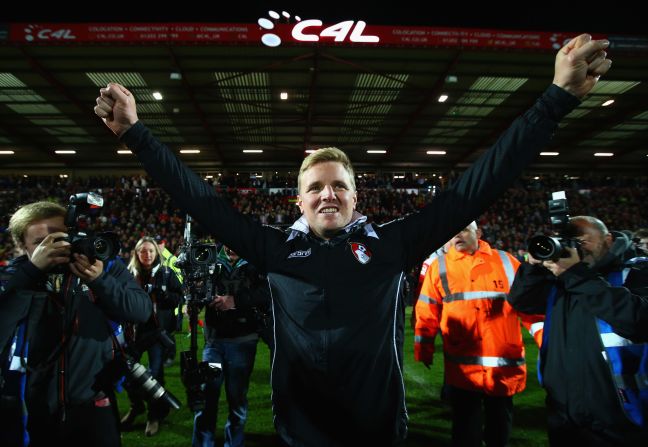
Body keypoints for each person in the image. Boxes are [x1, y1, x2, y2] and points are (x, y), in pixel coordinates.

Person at [94, 34, 611, 446]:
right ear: (299, 201)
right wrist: (136, 134)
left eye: (339, 185)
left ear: (355, 195)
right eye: (314, 187)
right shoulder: (275, 249)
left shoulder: (390, 245)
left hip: (377, 428)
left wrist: (555, 100)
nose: (327, 195)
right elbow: (200, 201)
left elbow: (475, 190)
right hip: (301, 430)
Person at [0, 201, 152, 446]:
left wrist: (100, 280)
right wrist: (31, 274)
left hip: (96, 402)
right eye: (41, 243)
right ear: (21, 247)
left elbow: (142, 311)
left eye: (60, 237)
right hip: (37, 409)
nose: (55, 247)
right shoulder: (14, 278)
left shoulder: (103, 266)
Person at [507, 216, 648, 445]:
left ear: (608, 240)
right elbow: (521, 302)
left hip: (620, 415)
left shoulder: (636, 270)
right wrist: (532, 267)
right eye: (569, 242)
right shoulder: (562, 278)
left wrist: (576, 275)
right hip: (564, 414)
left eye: (582, 242)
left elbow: (638, 320)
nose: (575, 249)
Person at [414, 221, 543, 446]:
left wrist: (546, 341)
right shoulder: (440, 266)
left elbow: (529, 308)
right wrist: (423, 347)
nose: (456, 236)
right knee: (465, 430)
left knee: (499, 428)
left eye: (463, 229)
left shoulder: (506, 262)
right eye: (452, 232)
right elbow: (427, 311)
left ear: (479, 233)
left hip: (502, 366)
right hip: (463, 370)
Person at [192, 245, 270, 447]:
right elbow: (196, 298)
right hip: (214, 342)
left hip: (243, 342)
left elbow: (266, 293)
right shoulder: (209, 261)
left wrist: (235, 300)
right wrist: (197, 289)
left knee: (236, 400)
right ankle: (202, 443)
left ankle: (233, 443)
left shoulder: (256, 262)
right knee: (207, 395)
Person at [119, 236, 183, 436]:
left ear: (157, 253)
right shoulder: (129, 273)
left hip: (156, 332)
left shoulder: (165, 272)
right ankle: (136, 406)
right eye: (142, 251)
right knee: (126, 375)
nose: (147, 255)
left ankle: (154, 415)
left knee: (154, 376)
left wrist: (163, 295)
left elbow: (179, 297)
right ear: (136, 253)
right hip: (134, 332)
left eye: (151, 251)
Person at [155, 235, 183, 366]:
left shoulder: (172, 260)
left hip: (171, 304)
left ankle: (170, 356)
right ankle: (161, 356)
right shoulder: (156, 259)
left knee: (168, 331)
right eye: (156, 244)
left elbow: (180, 282)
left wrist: (179, 303)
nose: (158, 246)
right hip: (159, 303)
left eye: (159, 243)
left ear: (163, 244)